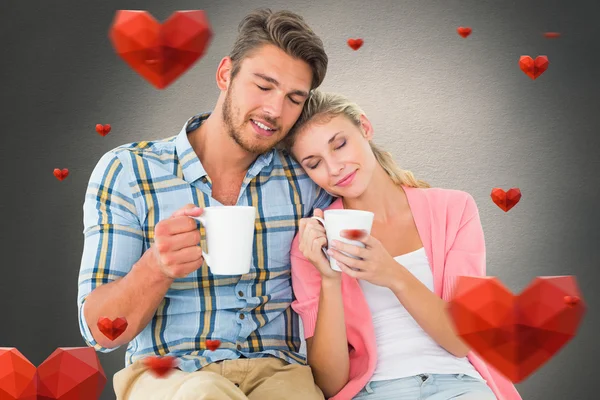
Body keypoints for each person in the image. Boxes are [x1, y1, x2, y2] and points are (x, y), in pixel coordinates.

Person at [76, 9, 333, 400]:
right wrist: (156, 266)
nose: (274, 111)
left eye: (293, 99)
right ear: (225, 74)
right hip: (169, 374)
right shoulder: (128, 170)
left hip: (280, 373)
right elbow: (100, 331)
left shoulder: (306, 176)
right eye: (263, 86)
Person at [283, 90, 522, 400]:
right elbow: (330, 383)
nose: (334, 168)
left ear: (365, 128)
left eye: (339, 144)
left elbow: (461, 341)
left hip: (460, 384)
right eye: (314, 163)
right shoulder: (313, 240)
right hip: (374, 391)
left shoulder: (454, 210)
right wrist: (330, 279)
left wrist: (393, 274)